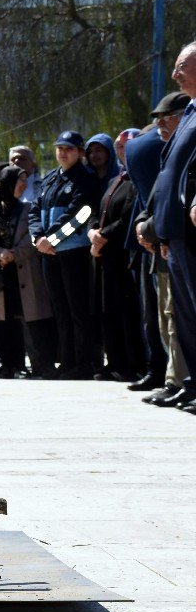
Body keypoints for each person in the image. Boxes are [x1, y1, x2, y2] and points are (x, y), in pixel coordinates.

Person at [28, 130, 102, 380]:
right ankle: (66, 361)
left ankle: (83, 363)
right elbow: (34, 211)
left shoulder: (85, 179)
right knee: (60, 310)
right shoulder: (49, 179)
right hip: (48, 253)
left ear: (80, 153)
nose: (63, 152)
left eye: (69, 149)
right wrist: (38, 238)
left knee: (78, 310)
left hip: (73, 253)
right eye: (60, 147)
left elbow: (79, 215)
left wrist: (52, 239)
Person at [131, 92, 189, 404]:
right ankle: (175, 381)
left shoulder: (183, 150)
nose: (160, 125)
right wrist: (144, 226)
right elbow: (153, 200)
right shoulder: (169, 152)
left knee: (178, 318)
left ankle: (181, 381)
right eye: (158, 119)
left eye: (167, 118)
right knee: (166, 318)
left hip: (176, 244)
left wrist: (152, 230)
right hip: (161, 245)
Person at [0, 166, 55, 379]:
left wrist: (15, 254)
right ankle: (7, 365)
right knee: (2, 320)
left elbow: (32, 237)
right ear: (8, 183)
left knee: (25, 317)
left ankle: (29, 364)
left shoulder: (27, 209)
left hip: (22, 272)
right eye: (21, 181)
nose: (25, 185)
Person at [149, 42, 196, 412]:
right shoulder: (190, 111)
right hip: (175, 232)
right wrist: (161, 231)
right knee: (184, 316)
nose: (175, 73)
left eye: (182, 66)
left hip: (191, 229)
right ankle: (192, 383)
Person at [89, 129, 144, 382]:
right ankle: (115, 361)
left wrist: (104, 236)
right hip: (105, 256)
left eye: (127, 147)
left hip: (123, 254)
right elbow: (99, 212)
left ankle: (133, 364)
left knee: (127, 311)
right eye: (120, 147)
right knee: (107, 310)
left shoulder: (138, 178)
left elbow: (129, 215)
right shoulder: (116, 179)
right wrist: (92, 233)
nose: (123, 151)